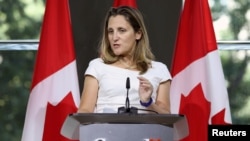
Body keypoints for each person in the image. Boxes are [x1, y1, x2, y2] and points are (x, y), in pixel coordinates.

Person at [77, 6, 172, 114]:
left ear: (138, 34)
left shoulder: (159, 69)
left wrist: (148, 103)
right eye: (110, 31)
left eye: (121, 30)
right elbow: (84, 111)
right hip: (105, 130)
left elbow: (166, 117)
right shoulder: (97, 66)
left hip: (145, 130)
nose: (114, 37)